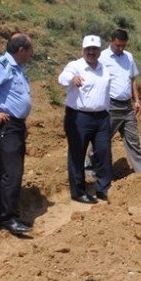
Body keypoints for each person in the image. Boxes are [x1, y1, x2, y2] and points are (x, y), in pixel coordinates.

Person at [0, 33, 34, 236]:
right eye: (30, 49)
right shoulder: (0, 66)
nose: (32, 53)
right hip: (4, 127)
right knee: (12, 172)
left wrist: (22, 122)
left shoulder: (17, 68)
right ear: (21, 50)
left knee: (10, 171)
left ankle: (9, 213)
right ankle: (6, 217)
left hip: (15, 125)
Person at [58, 35, 113, 204]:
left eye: (95, 49)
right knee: (77, 154)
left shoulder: (104, 68)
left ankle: (103, 188)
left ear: (99, 51)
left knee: (104, 152)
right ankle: (78, 191)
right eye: (88, 49)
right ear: (82, 50)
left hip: (102, 117)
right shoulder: (75, 66)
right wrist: (71, 79)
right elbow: (62, 78)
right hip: (79, 117)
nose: (91, 52)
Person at [99, 28, 141, 173]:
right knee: (102, 140)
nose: (120, 48)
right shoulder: (102, 57)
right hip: (111, 106)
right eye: (117, 45)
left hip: (127, 107)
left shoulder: (129, 57)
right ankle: (90, 171)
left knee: (133, 141)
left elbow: (132, 79)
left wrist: (137, 100)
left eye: (123, 46)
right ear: (111, 41)